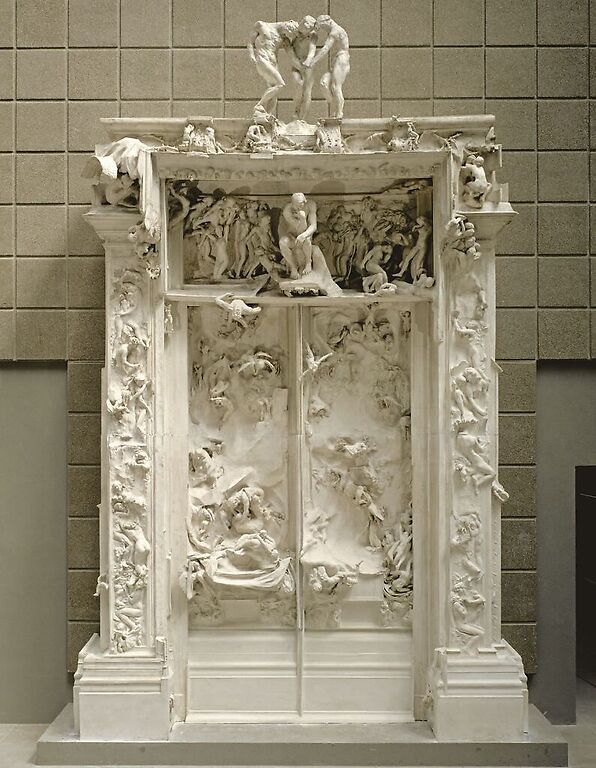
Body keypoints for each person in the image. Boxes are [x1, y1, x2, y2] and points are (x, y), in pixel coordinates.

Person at [247, 20, 299, 114]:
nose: (286, 34)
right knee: (280, 84)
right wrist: (251, 54)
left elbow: (291, 54)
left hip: (273, 63)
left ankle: (268, 115)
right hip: (262, 59)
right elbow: (250, 42)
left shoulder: (284, 38)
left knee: (274, 92)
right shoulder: (261, 25)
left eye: (289, 34)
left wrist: (301, 66)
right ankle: (259, 105)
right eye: (288, 31)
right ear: (287, 24)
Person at [310, 16, 350, 119]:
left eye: (323, 27)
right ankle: (334, 108)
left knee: (335, 86)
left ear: (328, 22)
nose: (324, 30)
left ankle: (339, 114)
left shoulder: (335, 31)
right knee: (324, 83)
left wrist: (313, 61)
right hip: (336, 60)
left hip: (342, 60)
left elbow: (325, 49)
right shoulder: (332, 31)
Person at [278, 192, 318, 278]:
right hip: (292, 235)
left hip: (306, 234)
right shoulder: (287, 210)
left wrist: (304, 235)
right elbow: (299, 228)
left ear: (305, 201)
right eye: (297, 205)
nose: (300, 206)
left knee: (306, 240)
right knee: (282, 243)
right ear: (292, 204)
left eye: (302, 203)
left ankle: (308, 262)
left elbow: (313, 226)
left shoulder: (311, 205)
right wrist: (302, 219)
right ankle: (293, 267)